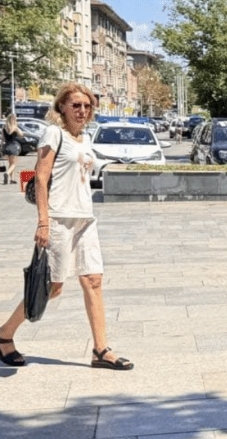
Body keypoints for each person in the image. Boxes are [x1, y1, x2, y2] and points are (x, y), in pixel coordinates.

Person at [0, 83, 133, 370]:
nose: (82, 110)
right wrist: (43, 222)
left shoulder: (83, 138)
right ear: (62, 107)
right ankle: (4, 334)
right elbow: (40, 177)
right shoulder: (54, 133)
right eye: (75, 105)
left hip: (85, 219)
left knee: (93, 280)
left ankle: (101, 350)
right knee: (52, 286)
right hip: (58, 219)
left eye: (86, 106)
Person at [2, 113, 24, 184]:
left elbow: (3, 139)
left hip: (6, 147)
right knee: (14, 164)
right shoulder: (14, 127)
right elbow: (21, 135)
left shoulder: (4, 128)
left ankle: (12, 179)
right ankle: (7, 173)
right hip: (13, 146)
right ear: (14, 119)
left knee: (10, 164)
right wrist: (17, 129)